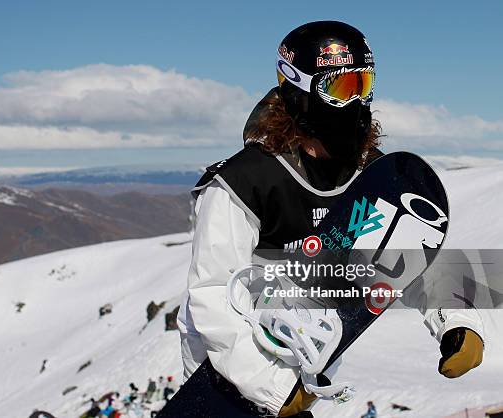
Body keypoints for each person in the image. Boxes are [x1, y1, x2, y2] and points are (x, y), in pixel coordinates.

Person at [176, 20, 485, 417]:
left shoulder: (369, 176)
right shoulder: (244, 182)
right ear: (299, 89)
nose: (356, 102)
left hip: (303, 360)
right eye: (339, 88)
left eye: (363, 85)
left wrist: (456, 321)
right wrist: (268, 384)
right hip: (227, 363)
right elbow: (213, 293)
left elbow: (410, 249)